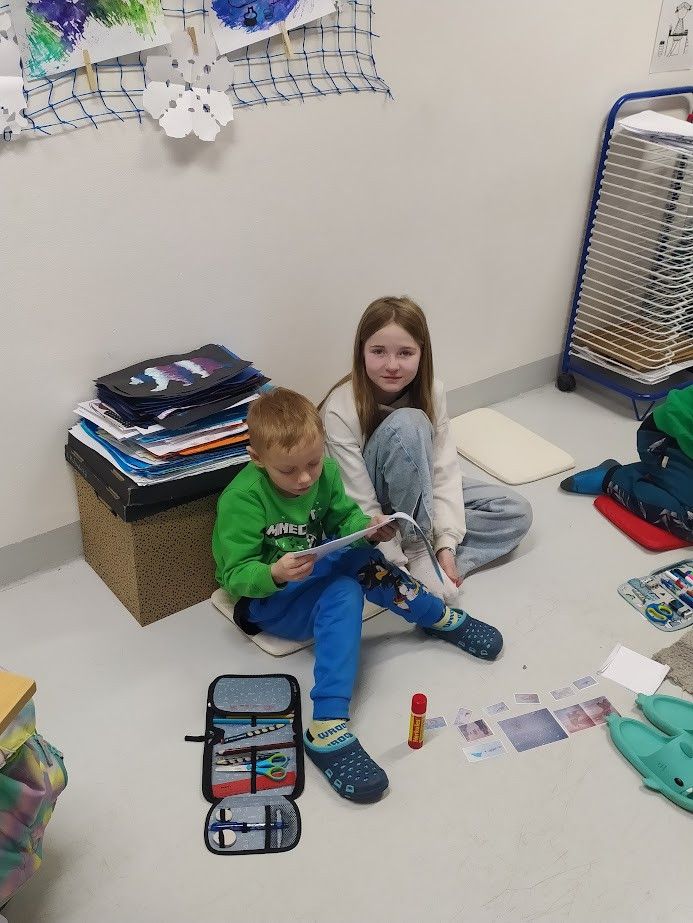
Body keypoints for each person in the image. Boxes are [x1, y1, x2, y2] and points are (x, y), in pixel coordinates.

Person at [212, 387, 503, 803]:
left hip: (314, 570)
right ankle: (325, 725)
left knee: (362, 558)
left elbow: (343, 519)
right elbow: (234, 576)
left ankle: (433, 616)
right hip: (270, 601)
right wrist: (274, 573)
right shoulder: (242, 499)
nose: (305, 478)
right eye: (288, 470)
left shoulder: (325, 473)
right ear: (257, 458)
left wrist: (366, 527)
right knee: (345, 592)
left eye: (313, 463)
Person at [319, 295, 533, 603]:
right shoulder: (340, 408)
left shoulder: (433, 390)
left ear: (422, 353)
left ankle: (433, 559)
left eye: (405, 353)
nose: (392, 365)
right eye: (378, 352)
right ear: (361, 351)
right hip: (371, 511)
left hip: (418, 493)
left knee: (515, 511)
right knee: (408, 424)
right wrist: (396, 559)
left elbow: (443, 471)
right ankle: (414, 551)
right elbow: (358, 499)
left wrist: (446, 545)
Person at [559, 384, 693, 542]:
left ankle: (661, 475)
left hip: (681, 442)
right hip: (663, 437)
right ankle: (612, 477)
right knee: (689, 520)